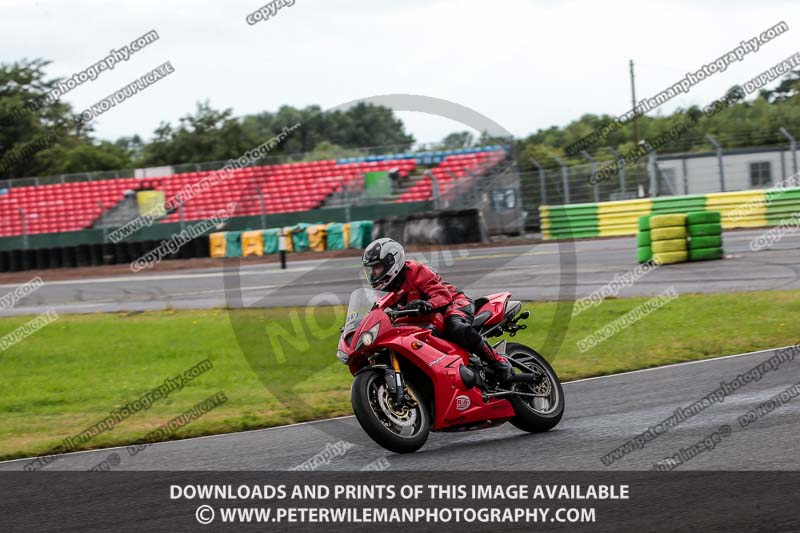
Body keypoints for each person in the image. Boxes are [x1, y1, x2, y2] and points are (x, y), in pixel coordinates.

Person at [361, 237, 513, 382]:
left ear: (391, 262)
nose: (373, 273)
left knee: (456, 327)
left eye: (377, 267)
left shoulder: (417, 271)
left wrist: (426, 304)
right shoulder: (385, 290)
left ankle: (499, 363)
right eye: (372, 268)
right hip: (425, 319)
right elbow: (377, 311)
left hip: (454, 302)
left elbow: (442, 296)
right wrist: (360, 326)